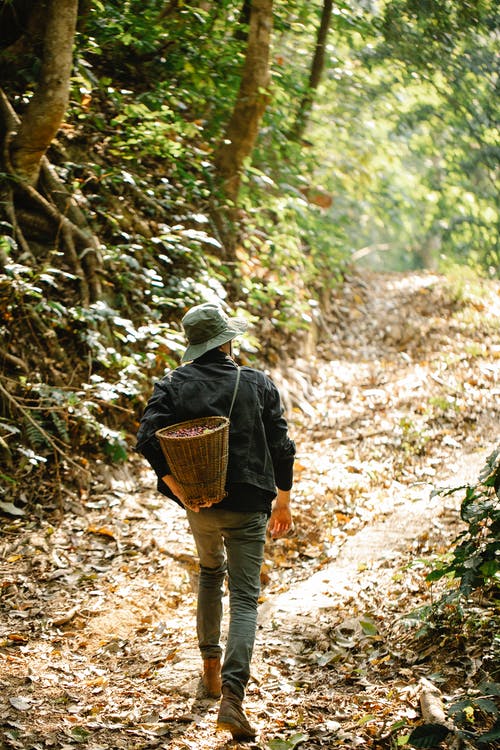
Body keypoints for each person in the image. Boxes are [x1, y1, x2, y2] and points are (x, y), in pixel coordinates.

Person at [136, 301, 295, 741]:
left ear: (193, 343)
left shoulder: (172, 383)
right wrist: (283, 501)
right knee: (244, 599)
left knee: (209, 574)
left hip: (200, 505)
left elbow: (147, 437)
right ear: (226, 340)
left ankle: (209, 669)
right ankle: (232, 697)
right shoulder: (258, 383)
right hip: (249, 502)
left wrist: (179, 488)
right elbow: (282, 446)